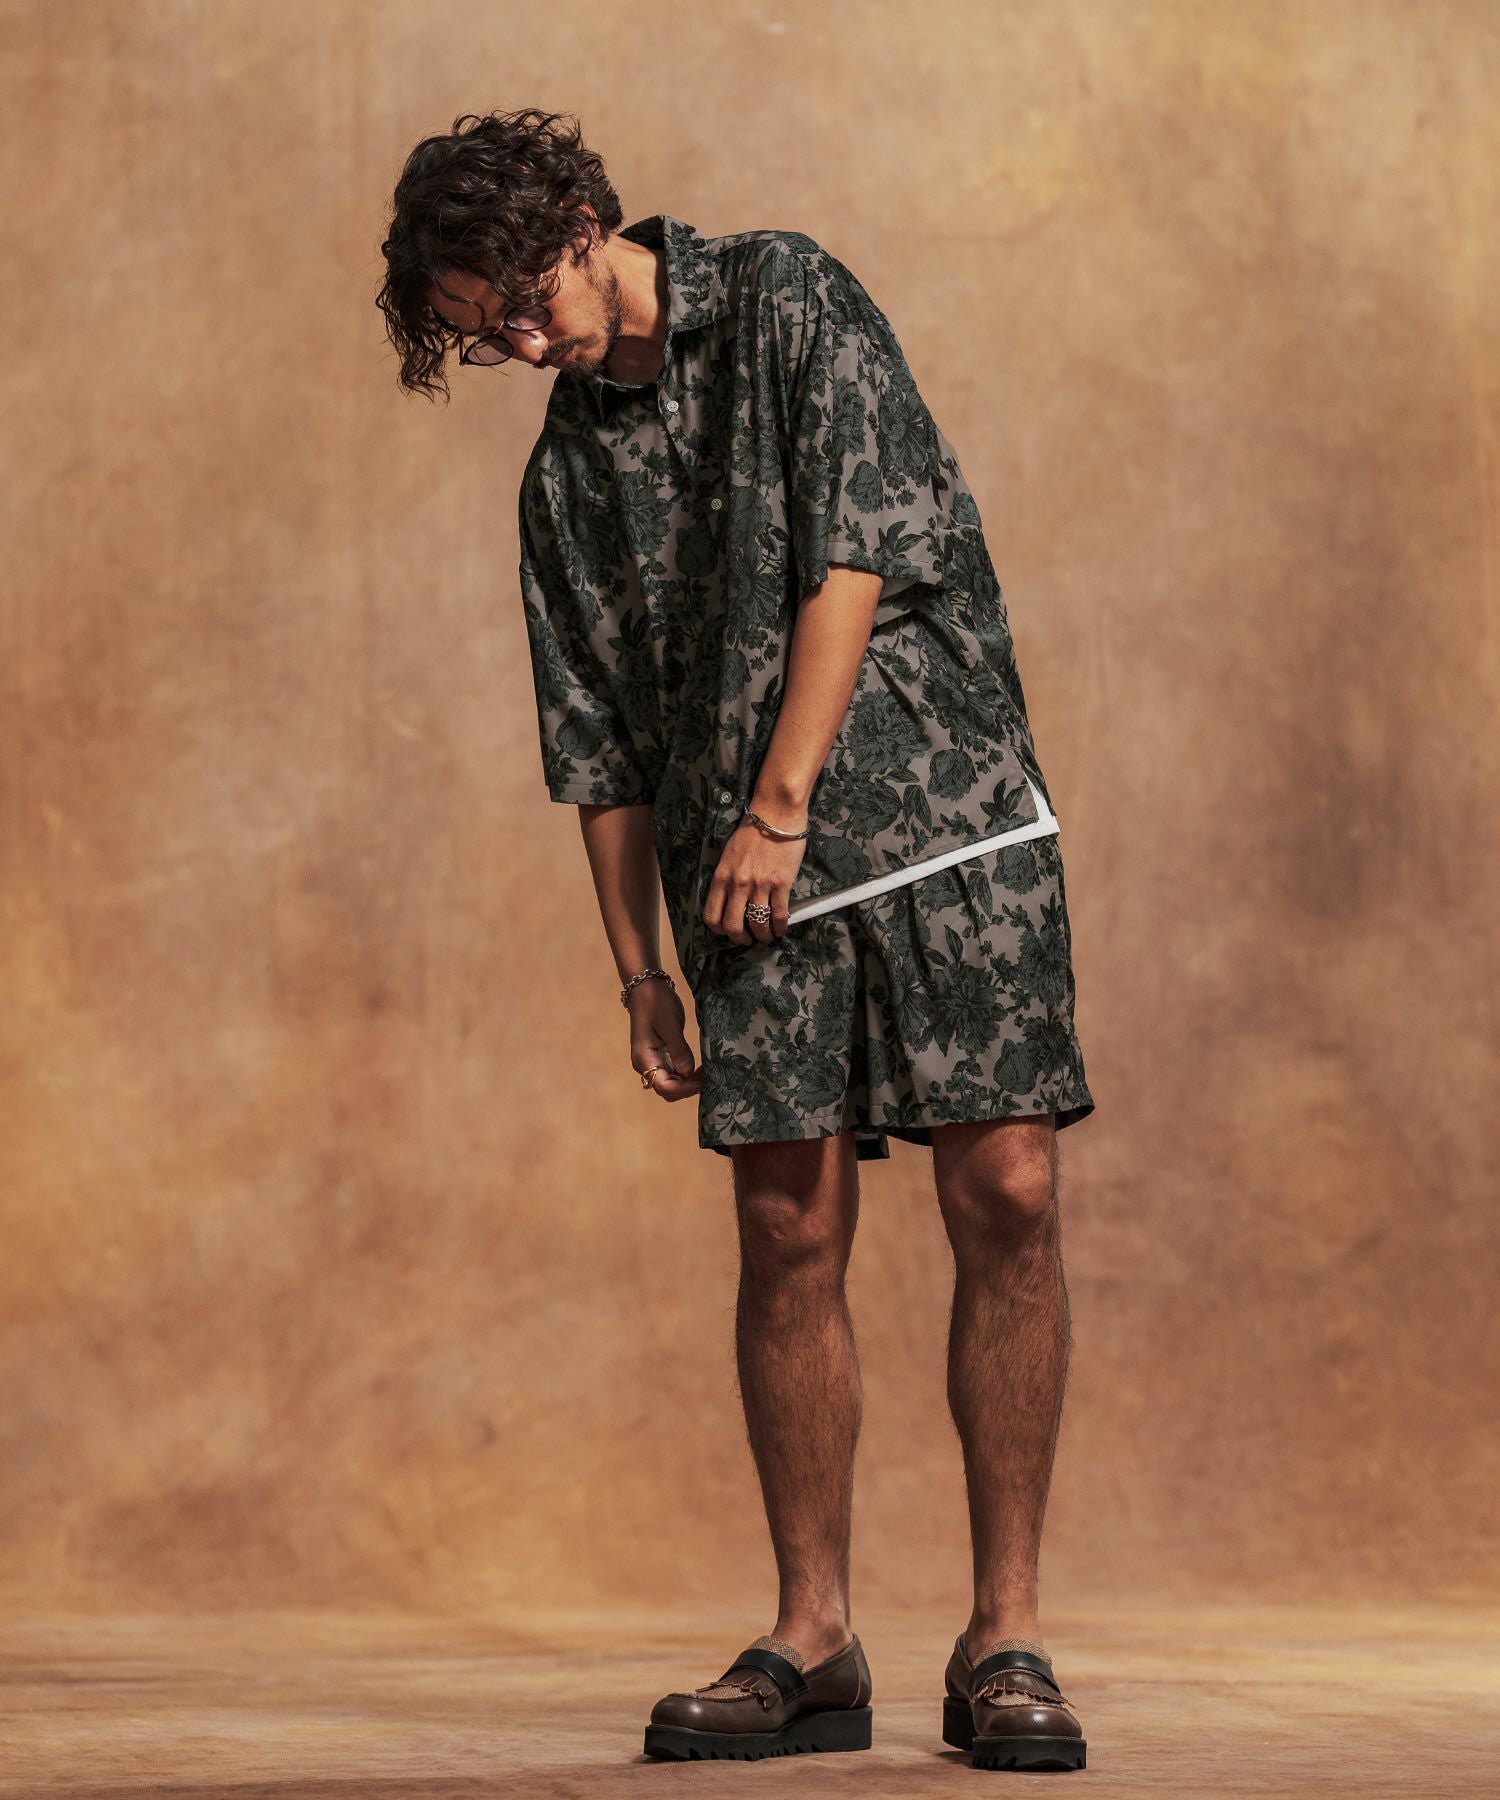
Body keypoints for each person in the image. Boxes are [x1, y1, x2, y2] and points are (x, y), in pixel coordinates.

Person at [378, 107, 1093, 1773]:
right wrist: (636, 967)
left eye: (521, 303)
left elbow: (852, 556)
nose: (521, 344)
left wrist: (780, 805)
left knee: (1010, 1192)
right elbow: (599, 739)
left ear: (578, 220)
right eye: (483, 335)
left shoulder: (785, 295)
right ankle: (814, 1638)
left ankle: (1006, 1638)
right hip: (746, 886)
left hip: (943, 818)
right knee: (785, 1226)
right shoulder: (565, 476)